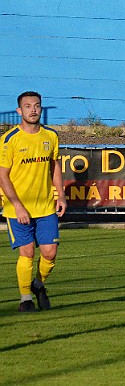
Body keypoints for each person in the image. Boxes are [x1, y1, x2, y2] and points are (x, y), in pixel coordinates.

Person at [0, 91, 67, 312]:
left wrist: (61, 195)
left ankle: (38, 284)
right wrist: (17, 205)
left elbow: (55, 166)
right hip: (17, 208)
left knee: (50, 253)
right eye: (27, 106)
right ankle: (25, 298)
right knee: (27, 252)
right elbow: (3, 175)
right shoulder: (9, 140)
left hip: (46, 205)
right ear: (19, 111)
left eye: (37, 105)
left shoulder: (51, 136)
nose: (33, 110)